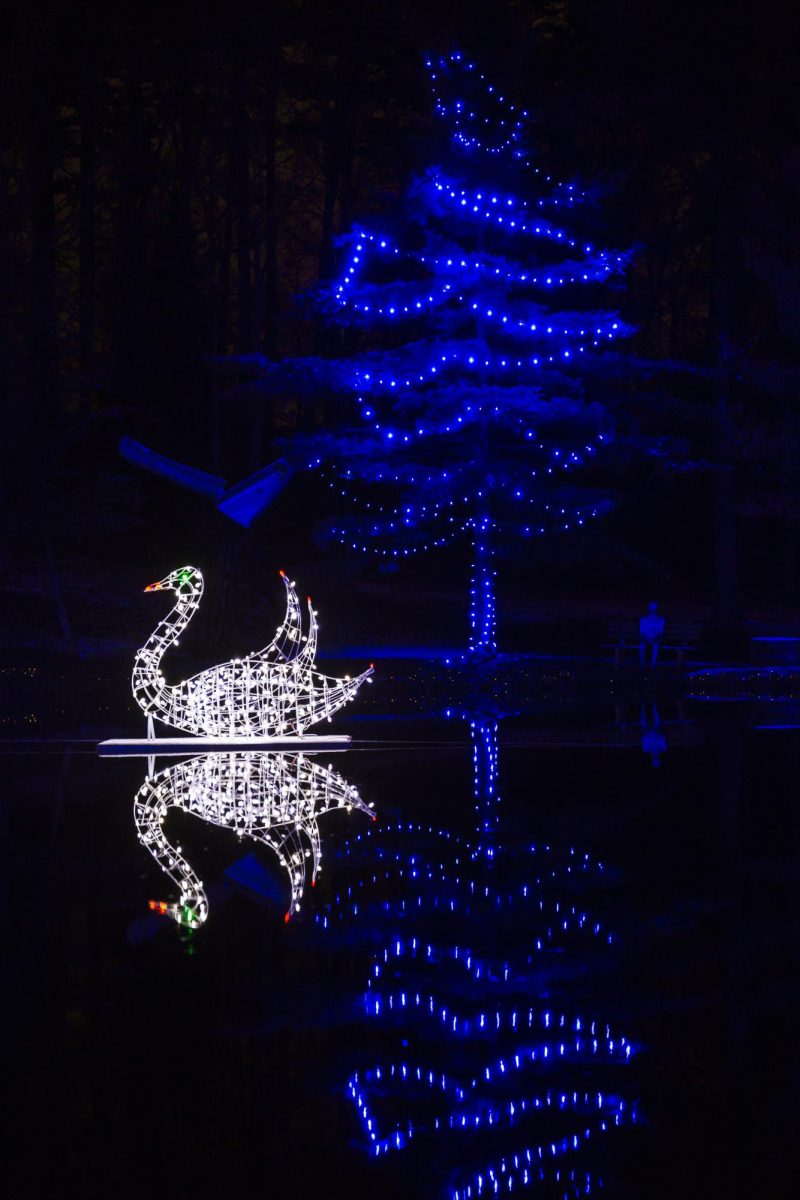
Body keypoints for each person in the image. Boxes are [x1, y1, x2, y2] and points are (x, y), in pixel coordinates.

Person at [639, 601, 665, 669]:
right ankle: (642, 667)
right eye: (651, 608)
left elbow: (661, 632)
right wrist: (645, 639)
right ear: (649, 609)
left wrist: (656, 639)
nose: (653, 610)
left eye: (655, 608)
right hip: (646, 639)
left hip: (656, 640)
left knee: (656, 647)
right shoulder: (644, 619)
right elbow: (642, 632)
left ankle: (653, 666)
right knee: (642, 646)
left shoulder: (661, 620)